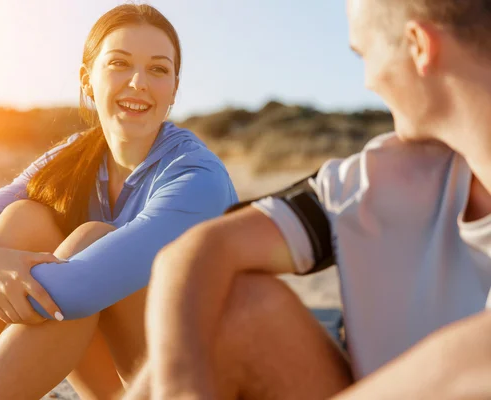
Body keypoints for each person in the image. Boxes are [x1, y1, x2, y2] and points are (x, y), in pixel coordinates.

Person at [124, 0, 491, 399]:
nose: (367, 80)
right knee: (239, 305)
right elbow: (201, 251)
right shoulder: (385, 175)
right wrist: (181, 387)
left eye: (363, 54)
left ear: (419, 45)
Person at [0, 4, 237, 399]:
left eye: (158, 69)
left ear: (174, 88)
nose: (139, 82)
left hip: (200, 384)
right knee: (24, 221)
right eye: (120, 64)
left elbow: (75, 291)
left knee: (89, 240)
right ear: (87, 80)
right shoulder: (74, 156)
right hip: (125, 384)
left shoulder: (196, 178)